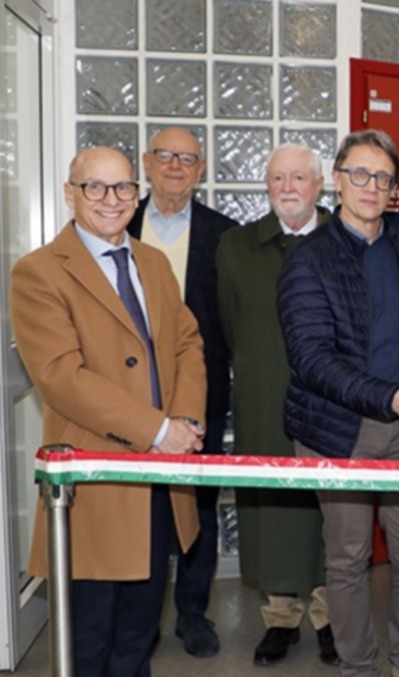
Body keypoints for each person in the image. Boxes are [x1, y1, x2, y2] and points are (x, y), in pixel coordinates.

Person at [10, 146, 207, 676]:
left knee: (140, 632)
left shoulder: (153, 262)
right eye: (94, 187)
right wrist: (157, 429)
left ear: (136, 194)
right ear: (70, 194)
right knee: (89, 639)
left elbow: (187, 342)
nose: (110, 199)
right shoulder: (38, 273)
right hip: (95, 485)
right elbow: (61, 378)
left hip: (159, 482)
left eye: (122, 188)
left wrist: (185, 419)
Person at [277, 129, 399, 677]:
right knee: (347, 560)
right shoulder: (307, 260)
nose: (372, 186)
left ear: (395, 189)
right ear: (338, 181)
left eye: (384, 178)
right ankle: (358, 667)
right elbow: (313, 360)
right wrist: (392, 396)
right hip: (335, 430)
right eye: (360, 174)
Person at [216, 143, 337, 667]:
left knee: (335, 510)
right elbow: (227, 324)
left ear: (319, 185)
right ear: (266, 186)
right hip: (264, 398)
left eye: (299, 178)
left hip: (334, 401)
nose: (288, 188)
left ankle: (334, 618)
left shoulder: (346, 240)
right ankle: (281, 618)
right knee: (272, 507)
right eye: (277, 178)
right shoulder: (235, 247)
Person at [128, 126, 236, 658]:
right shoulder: (115, 222)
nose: (175, 165)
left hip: (201, 393)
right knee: (136, 509)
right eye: (165, 156)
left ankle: (192, 614)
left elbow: (232, 321)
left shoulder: (225, 234)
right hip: (127, 396)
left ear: (201, 168)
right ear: (146, 163)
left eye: (187, 158)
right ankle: (138, 621)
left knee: (200, 507)